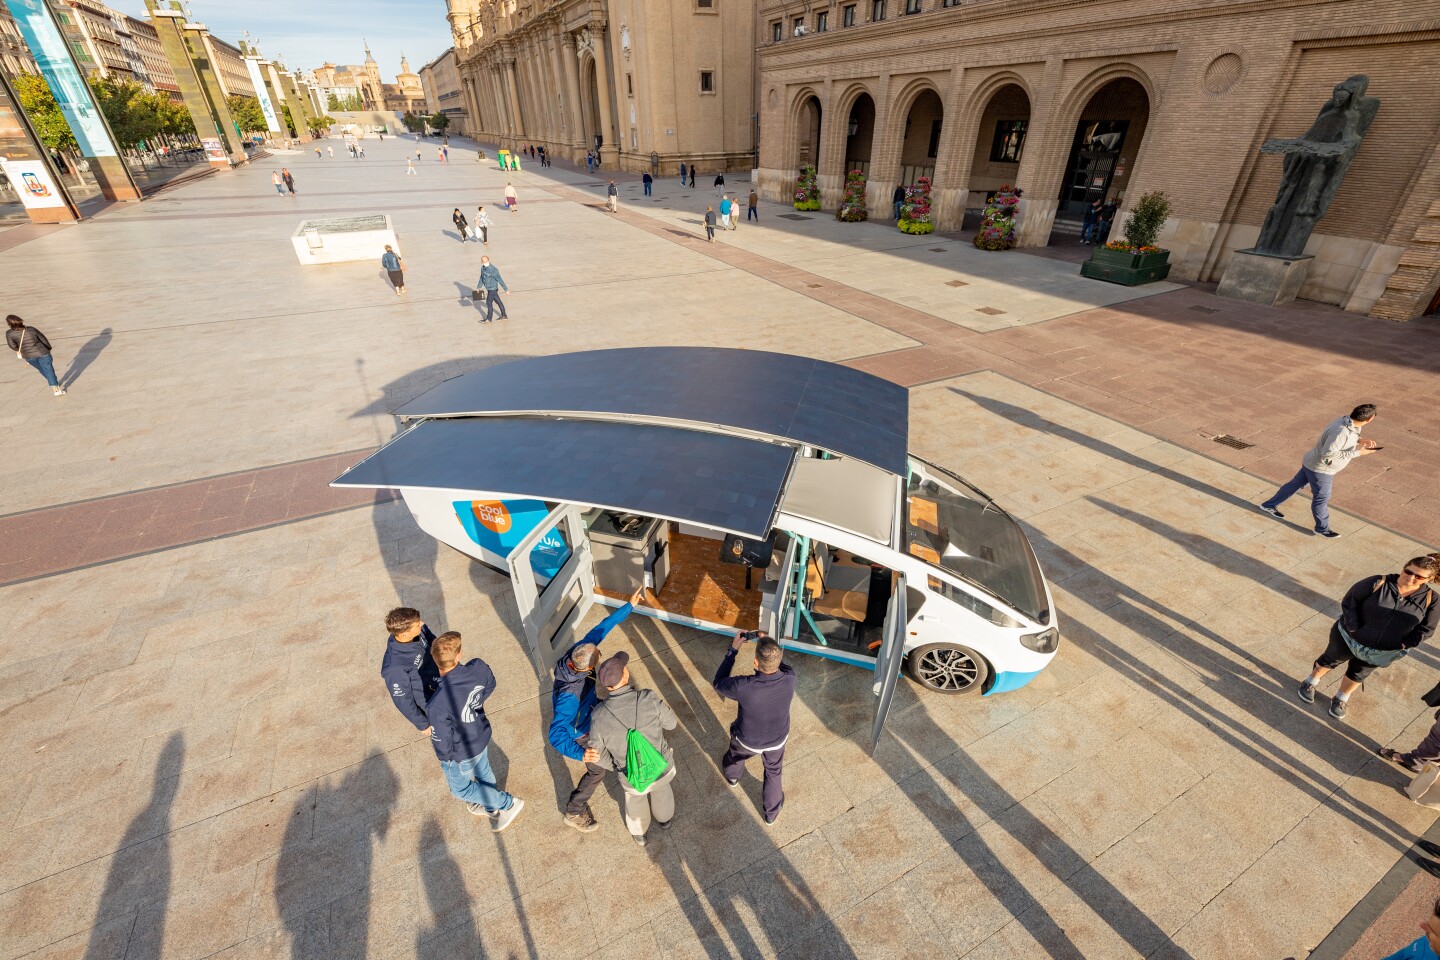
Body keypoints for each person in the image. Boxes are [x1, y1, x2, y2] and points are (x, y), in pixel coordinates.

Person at [1299, 553, 1440, 720]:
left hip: (1382, 650)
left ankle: (1341, 698)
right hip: (1348, 637)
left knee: (1359, 673)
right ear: (1404, 568)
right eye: (1408, 572)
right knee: (1331, 659)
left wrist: (1402, 645)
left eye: (1418, 577)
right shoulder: (1378, 582)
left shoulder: (1432, 600)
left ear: (1429, 579)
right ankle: (1310, 682)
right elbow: (1349, 602)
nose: (1410, 578)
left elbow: (1427, 629)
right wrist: (1354, 630)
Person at [549, 594, 639, 832]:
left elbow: (601, 629)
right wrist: (581, 754)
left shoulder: (577, 653)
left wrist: (628, 606)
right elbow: (556, 733)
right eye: (596, 666)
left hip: (590, 706)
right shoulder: (569, 697)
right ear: (587, 668)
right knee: (597, 770)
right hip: (581, 727)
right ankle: (574, 810)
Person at [426, 631, 525, 831]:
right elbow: (491, 684)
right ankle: (491, 806)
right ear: (459, 655)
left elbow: (442, 739)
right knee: (483, 771)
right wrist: (475, 704)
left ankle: (508, 804)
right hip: (480, 734)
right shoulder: (478, 667)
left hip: (461, 751)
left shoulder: (437, 703)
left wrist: (445, 759)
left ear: (435, 660)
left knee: (460, 789)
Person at [584, 652, 678, 845]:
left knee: (635, 802)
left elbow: (597, 754)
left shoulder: (599, 716)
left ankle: (639, 833)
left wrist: (618, 766)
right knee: (662, 792)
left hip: (630, 776)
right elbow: (671, 724)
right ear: (625, 675)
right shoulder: (648, 698)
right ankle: (665, 820)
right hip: (661, 767)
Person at [714, 633, 797, 824]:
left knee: (736, 756)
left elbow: (718, 682)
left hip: (747, 740)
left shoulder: (744, 686)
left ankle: (732, 778)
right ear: (779, 659)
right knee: (774, 772)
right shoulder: (790, 677)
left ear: (755, 662)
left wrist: (733, 650)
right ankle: (771, 813)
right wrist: (769, 645)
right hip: (777, 739)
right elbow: (780, 665)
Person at [1261, 404, 1378, 538]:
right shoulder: (1341, 431)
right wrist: (1358, 453)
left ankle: (1268, 505)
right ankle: (1322, 529)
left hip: (1311, 462)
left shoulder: (1344, 420)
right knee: (1321, 498)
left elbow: (1341, 438)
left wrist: (1360, 440)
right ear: (1369, 419)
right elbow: (1327, 454)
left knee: (1294, 485)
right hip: (1321, 469)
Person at [379, 607, 441, 733]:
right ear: (403, 634)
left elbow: (431, 640)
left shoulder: (417, 632)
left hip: (440, 681)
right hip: (430, 700)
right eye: (417, 625)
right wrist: (422, 724)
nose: (422, 624)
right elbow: (403, 701)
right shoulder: (394, 668)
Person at [6, 315, 65, 396]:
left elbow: (12, 345)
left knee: (42, 370)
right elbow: (43, 339)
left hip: (29, 357)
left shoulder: (9, 333)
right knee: (49, 370)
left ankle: (54, 383)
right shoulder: (31, 329)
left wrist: (21, 350)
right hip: (43, 353)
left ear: (9, 324)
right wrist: (49, 348)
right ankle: (56, 389)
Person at [475, 255, 509, 322]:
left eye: (486, 261)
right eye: (483, 261)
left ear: (488, 260)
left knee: (488, 302)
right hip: (488, 288)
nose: (485, 262)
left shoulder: (493, 269)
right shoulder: (482, 268)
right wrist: (478, 287)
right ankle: (504, 315)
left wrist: (506, 289)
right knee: (498, 302)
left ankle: (489, 318)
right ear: (481, 262)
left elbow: (500, 279)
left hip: (493, 289)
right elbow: (481, 278)